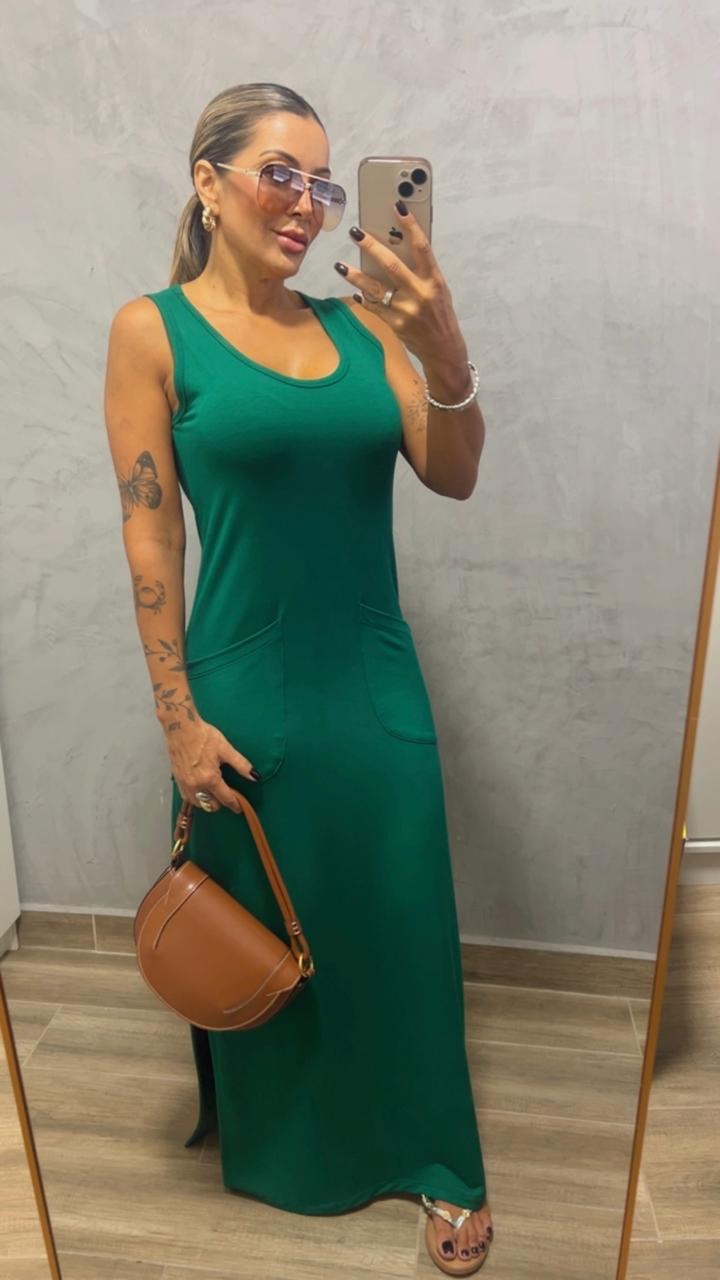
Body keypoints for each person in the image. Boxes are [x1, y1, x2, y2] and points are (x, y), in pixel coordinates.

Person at [103, 80, 493, 1274]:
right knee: (273, 923)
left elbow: (455, 472)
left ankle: (436, 1157)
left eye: (322, 182)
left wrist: (443, 346)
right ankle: (286, 1145)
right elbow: (151, 538)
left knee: (399, 917)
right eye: (281, 173)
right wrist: (176, 717)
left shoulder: (367, 324)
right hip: (243, 685)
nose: (308, 204)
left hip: (371, 675)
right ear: (208, 182)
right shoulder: (151, 332)